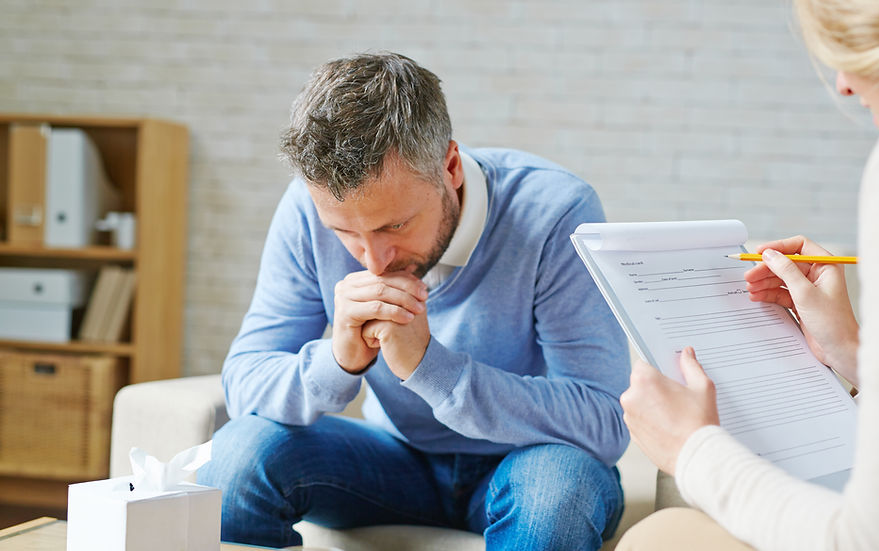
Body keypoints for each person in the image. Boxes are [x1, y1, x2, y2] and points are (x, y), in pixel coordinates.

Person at [197, 52, 630, 551]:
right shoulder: (306, 209)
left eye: (394, 226)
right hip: (391, 462)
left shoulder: (555, 212)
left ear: (450, 167)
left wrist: (431, 368)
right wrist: (336, 361)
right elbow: (245, 381)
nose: (374, 261)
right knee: (233, 462)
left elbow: (604, 420)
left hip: (530, 460)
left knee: (556, 493)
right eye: (345, 232)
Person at [616, 1, 879, 549]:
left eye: (849, 50)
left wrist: (693, 449)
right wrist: (851, 350)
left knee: (662, 537)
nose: (844, 87)